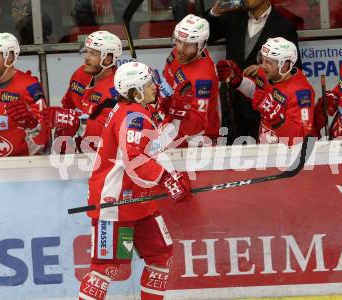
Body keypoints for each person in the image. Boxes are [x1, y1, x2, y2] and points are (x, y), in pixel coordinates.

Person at [78, 61, 193, 300]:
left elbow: (154, 147)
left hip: (139, 202)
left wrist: (175, 119)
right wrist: (166, 179)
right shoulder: (133, 116)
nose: (155, 87)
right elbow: (135, 158)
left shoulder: (136, 111)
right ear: (135, 91)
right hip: (116, 204)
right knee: (106, 267)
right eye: (149, 83)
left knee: (160, 257)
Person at [205, 0, 301, 143]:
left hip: (262, 104)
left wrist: (268, 69)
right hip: (231, 101)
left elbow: (295, 68)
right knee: (231, 158)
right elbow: (207, 37)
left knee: (260, 160)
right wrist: (215, 12)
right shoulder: (233, 17)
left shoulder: (283, 25)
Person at [217, 37, 315, 145]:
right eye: (262, 59)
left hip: (286, 156)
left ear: (285, 65)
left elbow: (300, 137)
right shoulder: (268, 74)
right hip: (266, 150)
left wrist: (273, 112)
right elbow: (258, 93)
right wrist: (238, 80)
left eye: (268, 62)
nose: (262, 66)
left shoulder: (302, 93)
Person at [43, 30, 122, 153]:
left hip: (101, 158)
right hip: (75, 154)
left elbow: (107, 135)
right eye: (87, 51)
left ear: (108, 59)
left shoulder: (117, 90)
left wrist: (77, 123)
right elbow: (68, 106)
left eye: (93, 54)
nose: (86, 57)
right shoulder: (80, 74)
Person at [160, 14, 220, 147]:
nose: (180, 49)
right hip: (174, 129)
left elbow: (197, 125)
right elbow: (168, 80)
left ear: (201, 45)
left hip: (198, 140)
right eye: (178, 41)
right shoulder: (178, 53)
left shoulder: (203, 79)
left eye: (187, 45)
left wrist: (177, 109)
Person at [0, 32, 48, 157]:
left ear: (10, 57)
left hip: (21, 166)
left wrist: (32, 124)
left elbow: (43, 134)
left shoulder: (30, 86)